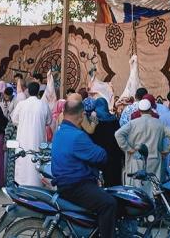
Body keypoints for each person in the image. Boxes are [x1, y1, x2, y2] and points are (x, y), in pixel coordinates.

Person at [52, 99, 115, 238]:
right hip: (76, 186)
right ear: (81, 115)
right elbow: (101, 155)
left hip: (65, 183)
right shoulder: (77, 136)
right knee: (109, 203)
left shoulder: (60, 131)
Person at [115, 99, 170, 193]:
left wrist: (127, 148)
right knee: (154, 190)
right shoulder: (159, 123)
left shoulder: (133, 123)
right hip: (155, 161)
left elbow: (118, 134)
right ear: (151, 109)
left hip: (137, 161)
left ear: (139, 110)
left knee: (138, 191)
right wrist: (167, 150)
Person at [11, 82, 51, 186]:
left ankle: (21, 185)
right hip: (38, 139)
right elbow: (49, 121)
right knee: (36, 161)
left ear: (27, 90)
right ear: (38, 92)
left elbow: (14, 120)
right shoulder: (43, 105)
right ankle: (36, 185)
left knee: (23, 161)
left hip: (23, 139)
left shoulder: (21, 104)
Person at [90, 97, 123, 187]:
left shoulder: (95, 122)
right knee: (114, 182)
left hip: (100, 157)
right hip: (114, 156)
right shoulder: (114, 120)